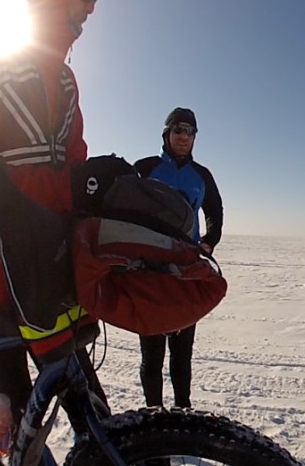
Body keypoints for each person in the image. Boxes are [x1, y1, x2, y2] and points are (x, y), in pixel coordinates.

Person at [0, 0, 123, 451]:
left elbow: (73, 164)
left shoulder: (65, 82)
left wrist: (100, 189)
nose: (91, 7)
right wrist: (40, 202)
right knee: (22, 424)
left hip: (50, 278)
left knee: (94, 417)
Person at [134, 107, 224, 408]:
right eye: (178, 130)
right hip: (149, 271)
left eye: (189, 132)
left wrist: (209, 242)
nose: (184, 137)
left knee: (182, 351)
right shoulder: (144, 168)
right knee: (152, 353)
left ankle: (182, 410)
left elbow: (215, 211)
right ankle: (153, 413)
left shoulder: (202, 175)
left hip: (186, 270)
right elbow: (122, 207)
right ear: (167, 134)